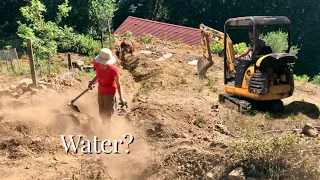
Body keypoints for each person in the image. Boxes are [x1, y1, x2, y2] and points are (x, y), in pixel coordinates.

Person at [88, 48, 127, 131]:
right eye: (101, 63)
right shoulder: (97, 65)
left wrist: (121, 98)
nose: (102, 66)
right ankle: (107, 127)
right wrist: (92, 82)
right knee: (101, 114)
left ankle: (108, 135)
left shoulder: (113, 71)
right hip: (100, 93)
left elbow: (119, 85)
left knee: (107, 116)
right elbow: (99, 75)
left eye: (104, 64)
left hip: (110, 95)